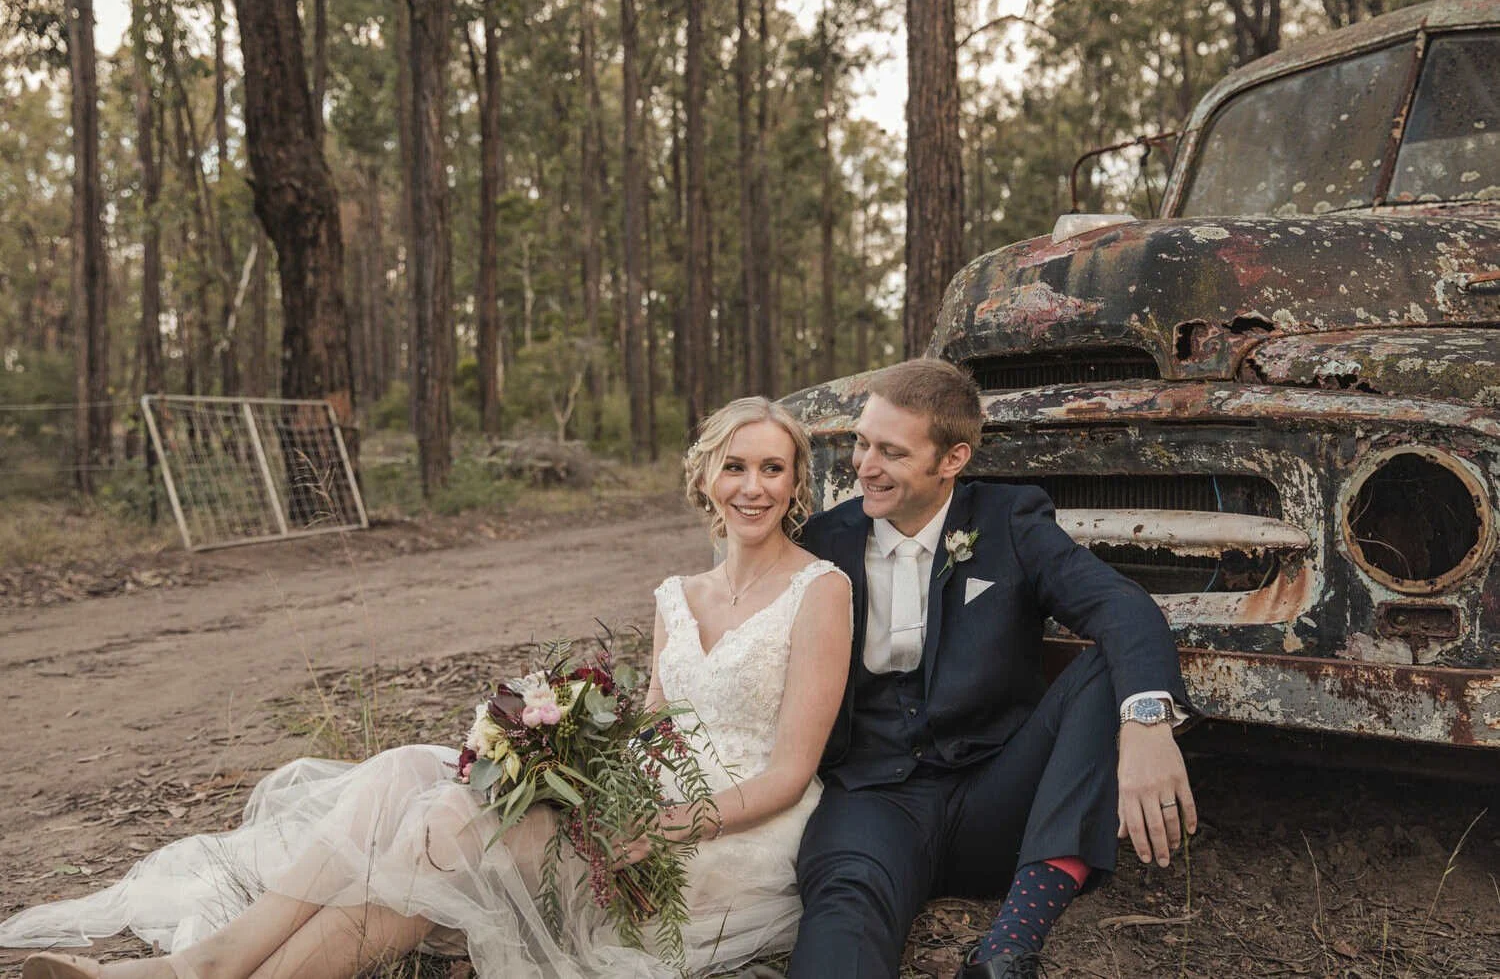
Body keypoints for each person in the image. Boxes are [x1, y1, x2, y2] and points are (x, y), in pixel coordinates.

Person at [5, 396, 853, 979]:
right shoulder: (680, 591)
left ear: (794, 485)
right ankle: (211, 963)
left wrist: (656, 826)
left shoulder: (821, 591)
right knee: (404, 774)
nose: (753, 487)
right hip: (645, 794)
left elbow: (787, 773)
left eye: (772, 470)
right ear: (707, 475)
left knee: (448, 830)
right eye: (736, 466)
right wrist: (554, 750)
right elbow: (657, 725)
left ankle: (217, 974)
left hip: (730, 838)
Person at [790, 359, 1196, 979]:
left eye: (891, 452)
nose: (864, 467)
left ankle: (1005, 949)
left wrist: (1146, 724)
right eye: (861, 442)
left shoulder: (1009, 521)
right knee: (845, 911)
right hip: (873, 803)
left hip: (999, 798)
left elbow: (1121, 605)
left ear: (951, 459)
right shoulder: (824, 540)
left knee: (1107, 669)